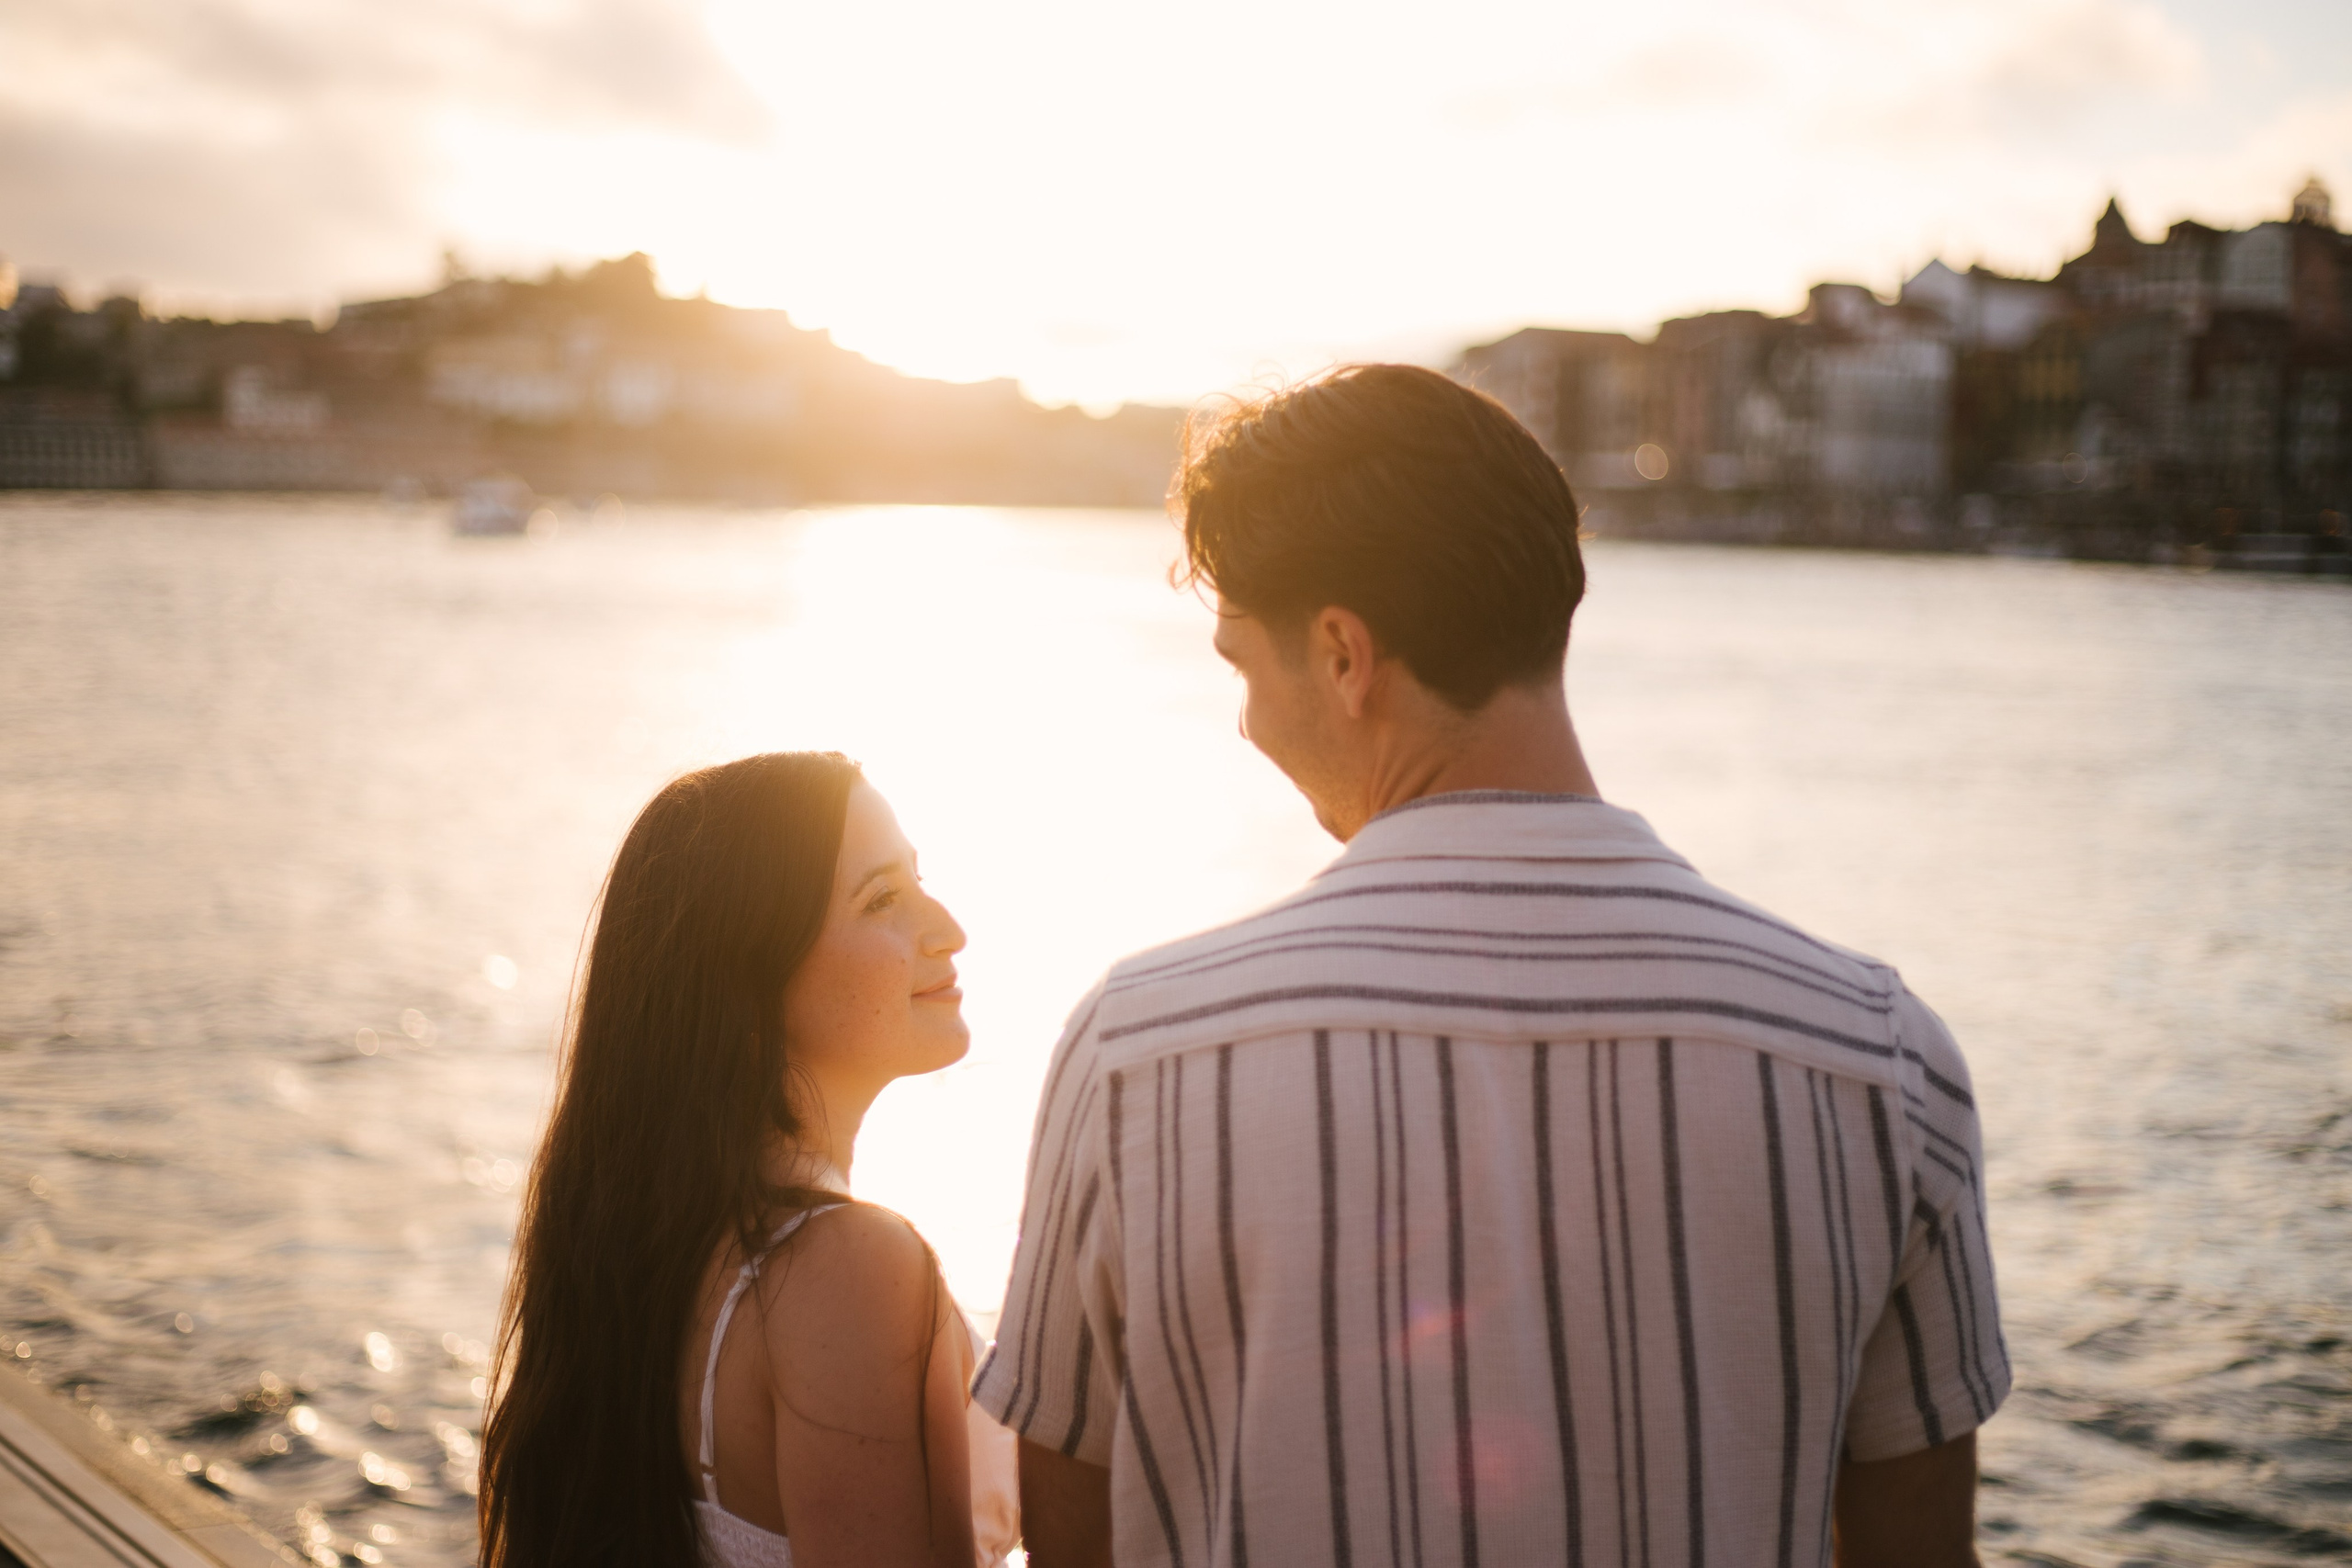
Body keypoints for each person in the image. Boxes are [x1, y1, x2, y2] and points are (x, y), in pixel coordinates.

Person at [976, 366, 2007, 1568]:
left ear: (1344, 653)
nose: (1247, 720)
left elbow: (1073, 1541)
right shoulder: (1881, 1057)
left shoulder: (1140, 1053)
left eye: (1241, 666)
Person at [480, 753, 1020, 1568]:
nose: (947, 928)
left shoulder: (649, 1253)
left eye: (918, 881)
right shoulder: (850, 1267)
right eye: (883, 899)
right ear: (750, 982)